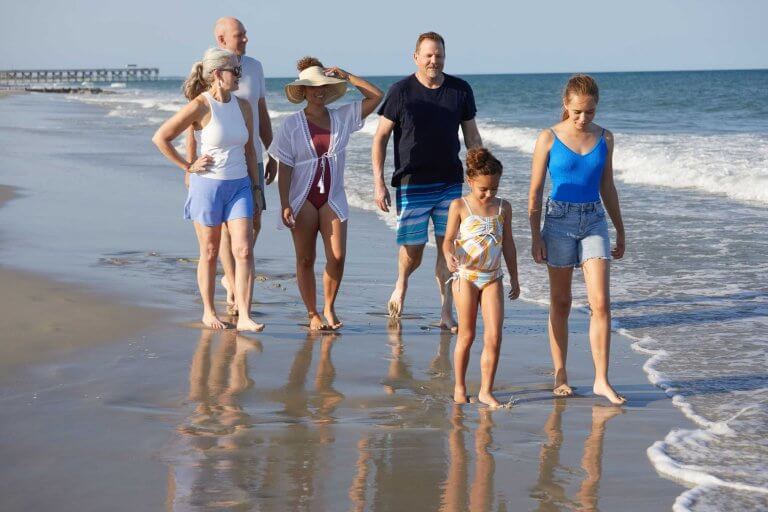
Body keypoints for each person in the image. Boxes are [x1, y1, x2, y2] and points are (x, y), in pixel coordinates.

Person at [372, 32, 483, 330]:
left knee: (449, 248)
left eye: (439, 55)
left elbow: (471, 136)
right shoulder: (400, 91)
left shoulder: (460, 90)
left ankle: (446, 309)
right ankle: (401, 282)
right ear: (416, 57)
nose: (434, 60)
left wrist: (480, 175)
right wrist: (379, 183)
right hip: (412, 182)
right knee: (413, 250)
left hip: (449, 181)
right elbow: (380, 137)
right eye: (429, 55)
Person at [528, 74, 626, 404]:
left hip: (594, 220)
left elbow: (608, 188)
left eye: (591, 112)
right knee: (561, 302)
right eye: (578, 112)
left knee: (601, 303)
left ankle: (601, 379)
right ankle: (561, 374)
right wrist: (535, 236)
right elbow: (536, 191)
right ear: (566, 106)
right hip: (558, 221)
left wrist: (620, 230)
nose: (584, 119)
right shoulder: (548, 138)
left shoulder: (606, 139)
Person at [152, 47, 264, 332]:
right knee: (210, 250)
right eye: (235, 71)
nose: (239, 75)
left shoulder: (242, 106)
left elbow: (250, 150)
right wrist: (187, 166)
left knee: (244, 249)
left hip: (239, 185)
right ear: (217, 74)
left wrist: (255, 187)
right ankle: (208, 311)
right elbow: (161, 137)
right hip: (208, 187)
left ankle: (246, 315)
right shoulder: (200, 105)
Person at [269, 57, 383, 330]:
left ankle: (329, 308)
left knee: (338, 256)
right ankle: (313, 314)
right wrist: (284, 203)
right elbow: (284, 168)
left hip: (332, 196)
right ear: (304, 91)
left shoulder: (342, 117)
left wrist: (348, 76)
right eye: (312, 86)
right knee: (306, 258)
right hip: (302, 197)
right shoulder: (291, 125)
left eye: (324, 86)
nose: (319, 91)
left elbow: (377, 96)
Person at [185, 17, 276, 313]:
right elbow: (193, 120)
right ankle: (234, 282)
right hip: (216, 166)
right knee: (226, 228)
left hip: (251, 158)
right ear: (222, 39)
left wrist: (271, 151)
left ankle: (234, 278)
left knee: (254, 223)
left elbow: (260, 112)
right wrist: (189, 164)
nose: (246, 39)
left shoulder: (255, 67)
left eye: (246, 34)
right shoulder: (211, 66)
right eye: (240, 35)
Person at [443, 148, 520, 408]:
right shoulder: (459, 206)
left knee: (495, 336)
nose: (489, 194)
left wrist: (515, 277)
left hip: (493, 277)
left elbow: (508, 244)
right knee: (467, 334)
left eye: (494, 189)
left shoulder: (503, 207)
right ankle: (460, 386)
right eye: (483, 189)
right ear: (470, 182)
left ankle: (486, 390)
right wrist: (449, 256)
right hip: (465, 276)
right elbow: (447, 241)